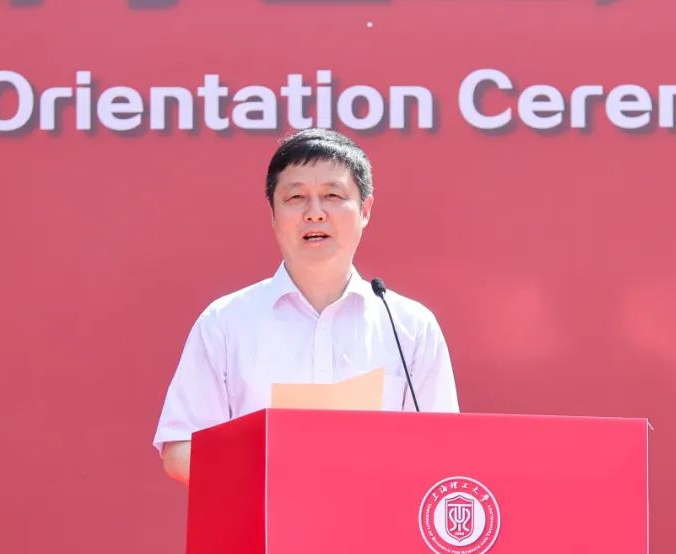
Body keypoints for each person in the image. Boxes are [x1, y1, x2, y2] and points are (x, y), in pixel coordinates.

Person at [153, 129, 459, 484]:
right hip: (261, 517)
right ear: (273, 212)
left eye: (332, 195)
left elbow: (444, 450)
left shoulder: (410, 326)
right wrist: (277, 477)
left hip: (380, 517)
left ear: (365, 210)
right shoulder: (225, 322)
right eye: (296, 197)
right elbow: (181, 451)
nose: (315, 213)